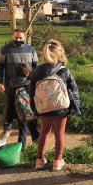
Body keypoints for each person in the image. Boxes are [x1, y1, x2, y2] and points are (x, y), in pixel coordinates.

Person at [29, 40, 80, 171]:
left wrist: (35, 109)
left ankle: (39, 160)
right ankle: (57, 161)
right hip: (61, 108)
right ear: (60, 54)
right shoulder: (64, 71)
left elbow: (32, 93)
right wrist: (75, 108)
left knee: (43, 133)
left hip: (44, 108)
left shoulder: (36, 71)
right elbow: (73, 90)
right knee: (59, 134)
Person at [0, 28, 39, 142]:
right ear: (12, 37)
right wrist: (0, 81)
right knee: (10, 105)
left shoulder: (31, 50)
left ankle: (34, 133)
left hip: (28, 85)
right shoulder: (5, 50)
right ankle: (7, 128)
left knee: (29, 107)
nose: (18, 39)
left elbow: (36, 67)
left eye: (20, 38)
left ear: (25, 38)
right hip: (11, 84)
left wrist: (36, 81)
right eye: (16, 38)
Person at [6, 63, 39, 148]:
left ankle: (22, 149)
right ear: (28, 72)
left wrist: (9, 114)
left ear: (15, 73)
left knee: (22, 130)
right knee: (34, 130)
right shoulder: (31, 82)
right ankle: (37, 148)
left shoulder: (12, 83)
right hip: (31, 109)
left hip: (19, 111)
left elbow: (10, 100)